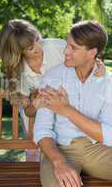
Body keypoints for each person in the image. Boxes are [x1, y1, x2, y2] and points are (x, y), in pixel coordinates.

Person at [34, 20, 112, 187]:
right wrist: (59, 162)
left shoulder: (107, 81)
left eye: (73, 47)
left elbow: (107, 134)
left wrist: (66, 110)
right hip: (60, 150)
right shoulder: (53, 77)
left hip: (97, 149)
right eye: (67, 45)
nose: (65, 51)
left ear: (92, 52)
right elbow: (42, 130)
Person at [0, 19, 104, 135]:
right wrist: (35, 103)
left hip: (68, 126)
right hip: (36, 128)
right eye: (30, 48)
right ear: (18, 52)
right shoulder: (16, 72)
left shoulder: (57, 47)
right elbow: (28, 111)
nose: (38, 48)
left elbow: (84, 56)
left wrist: (99, 65)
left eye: (38, 40)